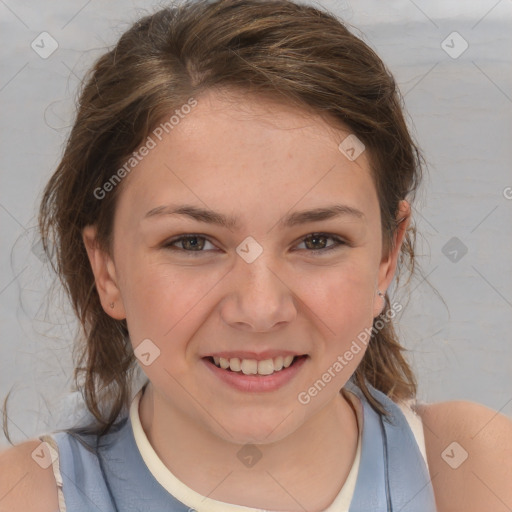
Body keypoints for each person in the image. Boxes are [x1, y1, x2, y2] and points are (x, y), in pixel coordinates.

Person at [1, 0, 511, 511]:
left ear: (386, 257)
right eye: (193, 243)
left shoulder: (474, 468)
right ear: (106, 268)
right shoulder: (24, 496)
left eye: (317, 241)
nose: (260, 309)